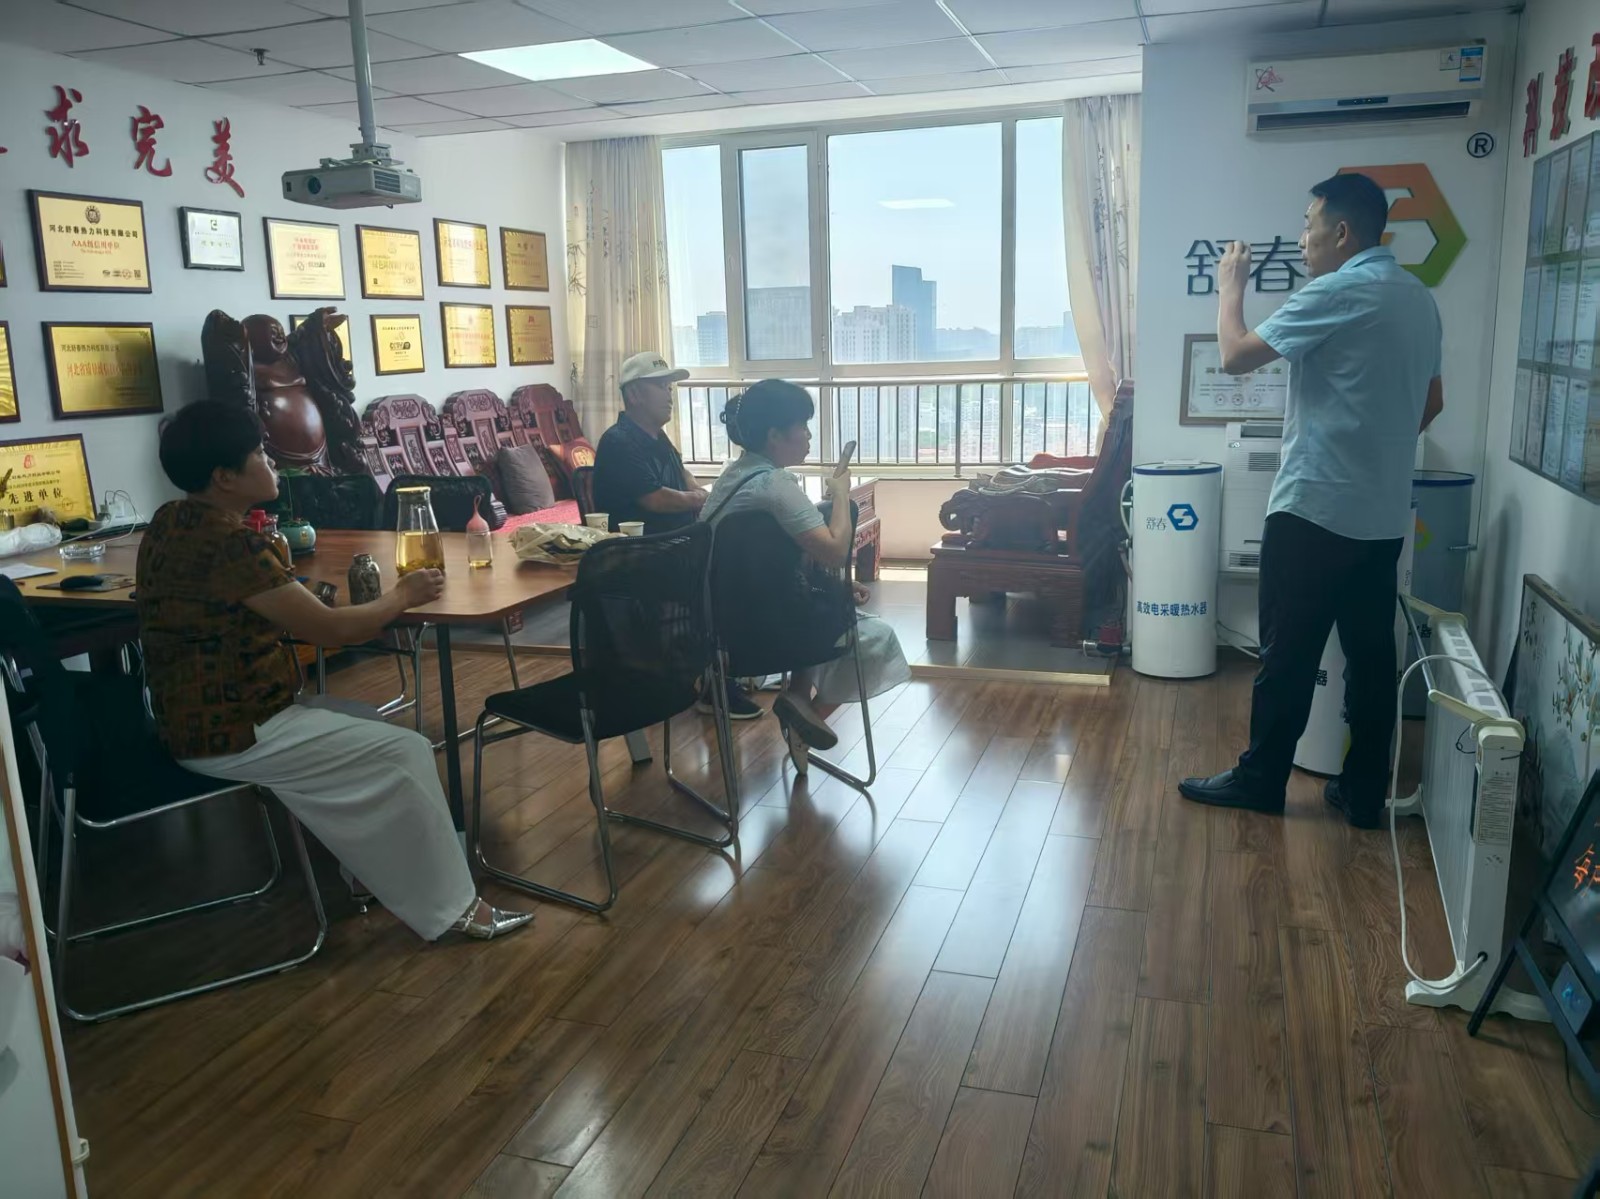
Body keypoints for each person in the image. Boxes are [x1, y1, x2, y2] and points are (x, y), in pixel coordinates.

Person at [136, 400, 532, 941]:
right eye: (258, 453)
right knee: (406, 751)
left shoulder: (169, 522)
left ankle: (371, 876)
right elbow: (332, 631)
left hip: (188, 719)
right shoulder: (232, 545)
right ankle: (458, 908)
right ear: (224, 477)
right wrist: (402, 595)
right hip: (236, 729)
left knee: (364, 722)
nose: (270, 461)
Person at [1179, 172, 1444, 829]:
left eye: (1308, 225)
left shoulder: (1337, 290)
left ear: (1342, 232)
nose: (1302, 239)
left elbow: (1235, 355)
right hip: (1381, 519)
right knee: (1370, 659)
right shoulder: (1419, 300)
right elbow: (1432, 402)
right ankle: (1363, 793)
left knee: (1288, 657)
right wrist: (1376, 450)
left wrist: (1230, 288)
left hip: (1313, 513)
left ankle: (1261, 780)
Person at [702, 379, 911, 772]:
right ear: (774, 435)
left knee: (830, 607)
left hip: (724, 628)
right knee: (875, 637)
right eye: (802, 426)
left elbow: (767, 559)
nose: (809, 435)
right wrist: (842, 494)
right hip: (768, 630)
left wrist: (835, 586)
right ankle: (805, 714)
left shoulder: (734, 477)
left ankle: (798, 703)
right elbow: (834, 550)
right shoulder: (775, 484)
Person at [593, 350, 760, 720]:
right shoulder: (619, 441)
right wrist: (701, 499)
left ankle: (733, 666)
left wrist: (703, 494)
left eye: (669, 387)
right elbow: (654, 499)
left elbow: (684, 478)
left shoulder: (657, 437)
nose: (669, 394)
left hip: (673, 547)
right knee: (724, 578)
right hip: (640, 556)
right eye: (660, 386)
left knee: (741, 562)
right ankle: (715, 681)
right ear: (634, 394)